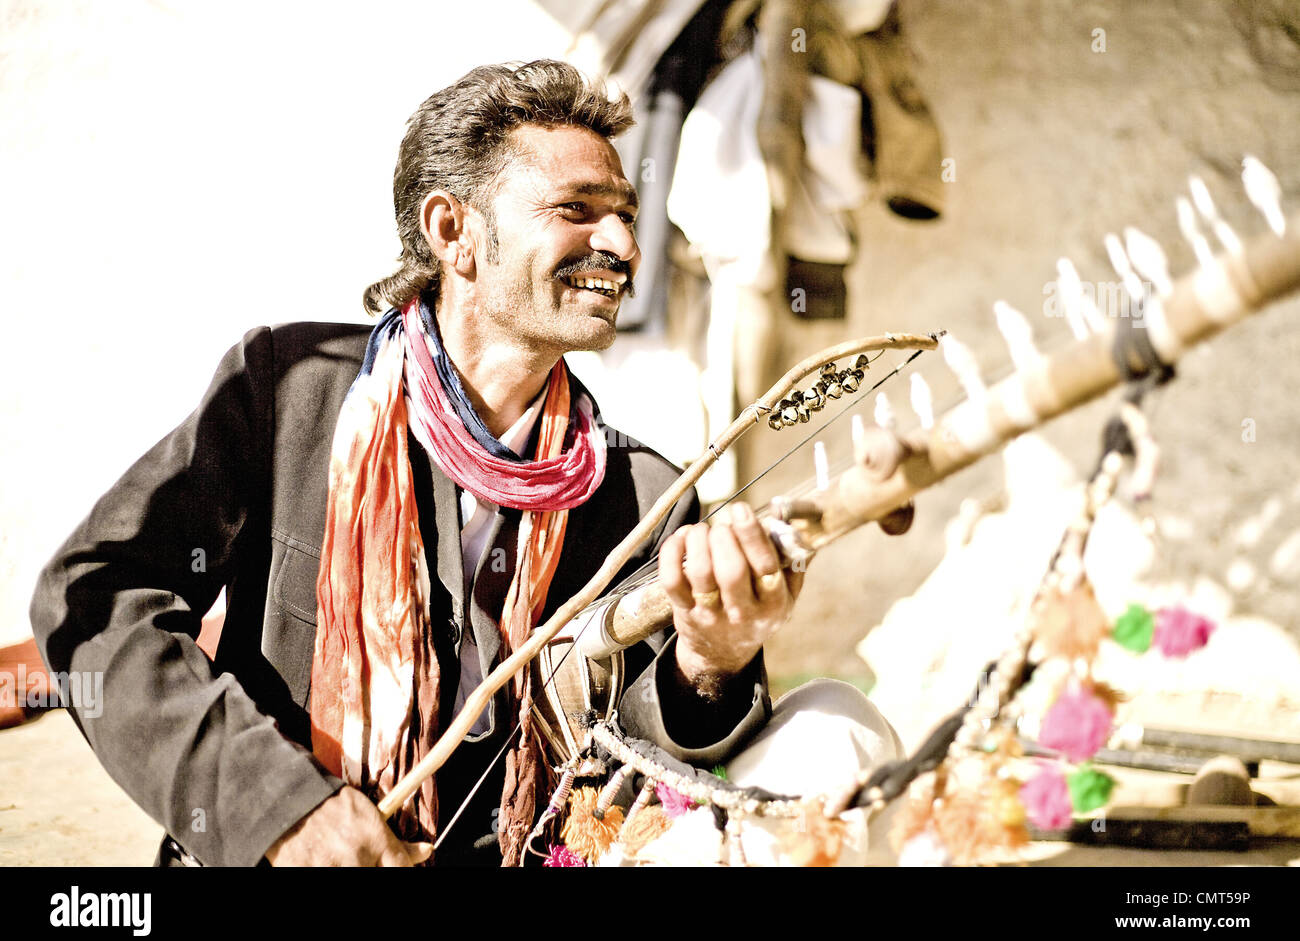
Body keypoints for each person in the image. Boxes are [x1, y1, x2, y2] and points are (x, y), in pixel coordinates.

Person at [28, 60, 827, 868]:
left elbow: (644, 773)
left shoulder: (645, 495)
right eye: (577, 211)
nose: (622, 242)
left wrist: (711, 660)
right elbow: (97, 593)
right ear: (454, 233)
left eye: (624, 214)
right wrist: (278, 809)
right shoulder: (293, 391)